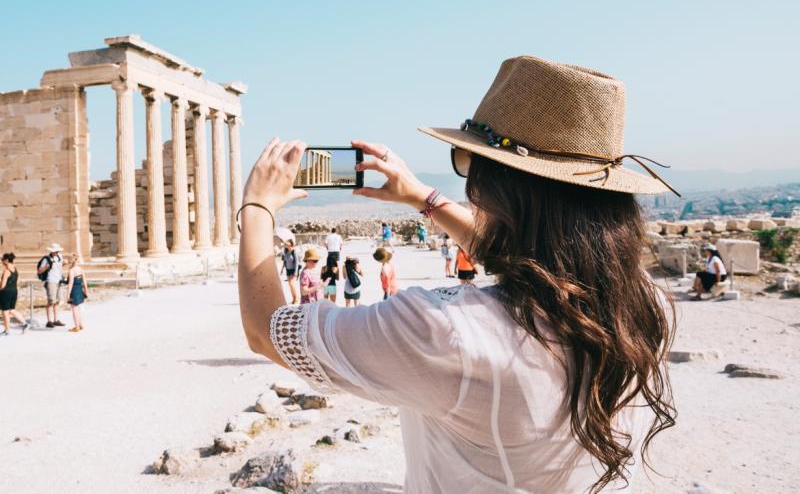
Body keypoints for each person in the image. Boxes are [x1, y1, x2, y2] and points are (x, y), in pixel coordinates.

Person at [237, 56, 679, 492]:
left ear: (498, 187)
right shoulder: (644, 306)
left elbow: (265, 331)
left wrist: (257, 208)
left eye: (467, 161)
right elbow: (530, 256)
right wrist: (422, 198)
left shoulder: (445, 331)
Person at [0, 253, 28, 335]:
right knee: (12, 310)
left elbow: (3, 285)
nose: (2, 261)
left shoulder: (6, 271)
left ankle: (6, 330)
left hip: (6, 292)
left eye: (2, 260)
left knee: (5, 312)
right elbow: (17, 281)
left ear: (6, 260)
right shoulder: (15, 269)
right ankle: (25, 323)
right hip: (14, 290)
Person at [37, 243, 66, 328]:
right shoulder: (46, 259)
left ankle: (56, 320)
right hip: (51, 281)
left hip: (59, 281)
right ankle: (49, 321)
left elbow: (58, 266)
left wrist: (64, 263)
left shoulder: (60, 257)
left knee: (57, 301)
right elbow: (39, 271)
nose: (57, 252)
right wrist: (46, 267)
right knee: (51, 301)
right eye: (56, 251)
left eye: (58, 251)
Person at [65, 254, 89, 332]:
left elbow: (71, 283)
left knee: (74, 309)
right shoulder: (81, 269)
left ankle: (77, 326)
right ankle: (80, 324)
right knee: (78, 309)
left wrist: (68, 294)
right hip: (80, 289)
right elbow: (84, 281)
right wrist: (86, 290)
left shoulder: (72, 270)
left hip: (74, 290)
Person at [280, 240, 300, 304]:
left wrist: (295, 272)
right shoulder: (286, 251)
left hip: (293, 270)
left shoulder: (294, 251)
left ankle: (297, 298)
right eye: (285, 243)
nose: (285, 244)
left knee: (292, 284)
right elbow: (284, 261)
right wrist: (282, 269)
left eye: (287, 242)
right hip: (288, 270)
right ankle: (293, 299)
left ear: (290, 244)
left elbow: (297, 262)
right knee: (290, 285)